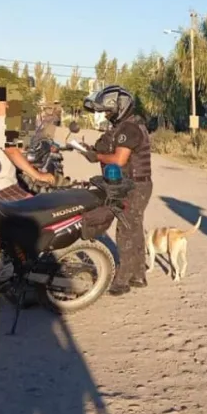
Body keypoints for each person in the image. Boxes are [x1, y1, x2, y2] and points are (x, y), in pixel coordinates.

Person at [81, 85, 153, 297]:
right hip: (134, 183)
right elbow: (107, 147)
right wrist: (93, 150)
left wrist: (98, 157)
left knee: (126, 229)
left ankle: (123, 280)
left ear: (120, 106)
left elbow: (119, 160)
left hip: (135, 185)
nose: (106, 114)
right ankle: (138, 275)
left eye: (108, 110)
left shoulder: (130, 129)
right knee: (134, 226)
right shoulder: (124, 126)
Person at [0, 87, 55, 201]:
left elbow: (0, 149)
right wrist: (38, 176)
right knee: (39, 210)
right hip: (1, 188)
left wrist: (21, 152)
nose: (7, 106)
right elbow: (11, 152)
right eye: (4, 103)